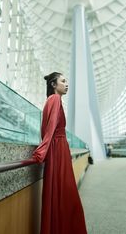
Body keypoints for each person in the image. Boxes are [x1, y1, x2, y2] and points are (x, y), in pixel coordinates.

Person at [30, 72, 88, 234]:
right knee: (67, 195)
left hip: (57, 150)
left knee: (60, 194)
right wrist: (41, 151)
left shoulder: (51, 100)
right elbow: (50, 129)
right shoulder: (55, 99)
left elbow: (46, 129)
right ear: (54, 85)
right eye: (63, 81)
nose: (66, 84)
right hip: (58, 149)